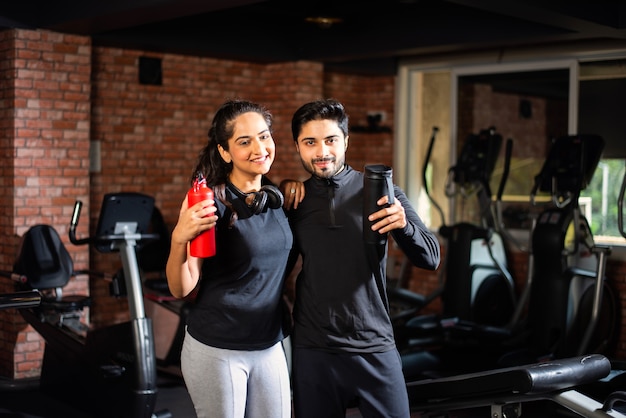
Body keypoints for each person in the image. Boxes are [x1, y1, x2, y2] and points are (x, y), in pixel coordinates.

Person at [282, 99, 441, 418]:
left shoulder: (382, 193)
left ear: (345, 141)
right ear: (297, 146)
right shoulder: (294, 200)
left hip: (374, 344)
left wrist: (404, 225)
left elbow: (431, 257)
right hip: (314, 350)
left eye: (330, 140)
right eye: (310, 142)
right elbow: (275, 269)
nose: (321, 151)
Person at [165, 99, 292, 418]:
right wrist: (179, 237)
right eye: (244, 141)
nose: (259, 148)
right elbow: (181, 287)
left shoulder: (275, 199)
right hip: (218, 347)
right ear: (224, 152)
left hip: (269, 343)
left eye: (264, 136)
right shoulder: (210, 204)